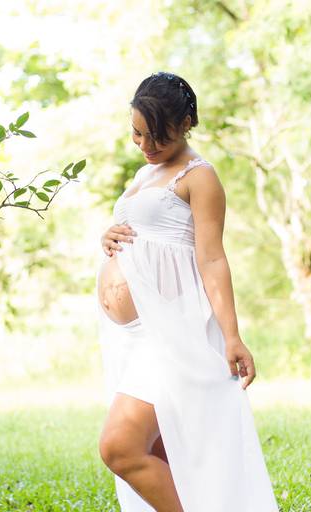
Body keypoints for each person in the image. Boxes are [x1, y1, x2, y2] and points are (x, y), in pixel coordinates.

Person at [95, 71, 279, 512]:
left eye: (157, 135)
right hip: (135, 337)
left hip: (172, 335)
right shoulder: (143, 175)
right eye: (137, 134)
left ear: (187, 122)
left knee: (120, 447)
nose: (146, 145)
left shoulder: (201, 177)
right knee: (162, 453)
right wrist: (108, 239)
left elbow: (212, 258)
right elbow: (141, 233)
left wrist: (232, 336)